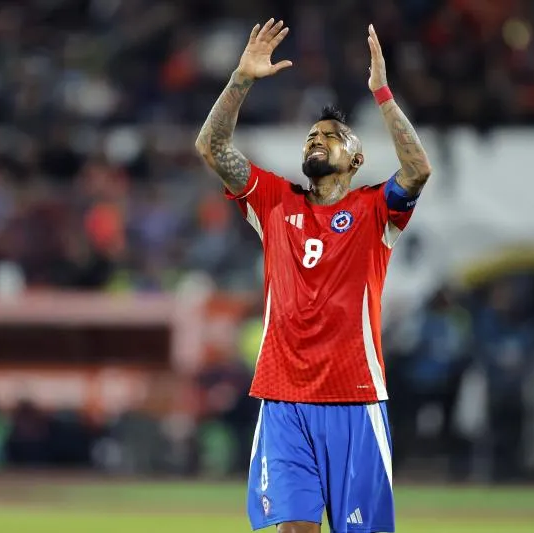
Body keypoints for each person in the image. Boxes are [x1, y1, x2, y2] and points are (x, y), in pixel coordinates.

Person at [195, 19, 432, 533]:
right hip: (283, 399)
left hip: (355, 397)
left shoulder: (376, 210)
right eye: (311, 136)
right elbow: (211, 147)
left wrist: (382, 93)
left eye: (331, 136)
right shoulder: (274, 202)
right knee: (292, 528)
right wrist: (241, 78)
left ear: (357, 159)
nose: (317, 140)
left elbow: (417, 170)